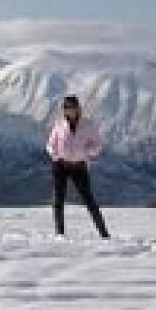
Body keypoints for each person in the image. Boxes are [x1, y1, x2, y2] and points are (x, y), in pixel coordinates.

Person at [45, 95, 110, 238]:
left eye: (71, 107)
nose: (69, 110)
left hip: (79, 166)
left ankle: (104, 234)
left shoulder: (87, 125)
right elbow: (50, 144)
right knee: (58, 200)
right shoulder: (59, 125)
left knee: (89, 200)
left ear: (78, 108)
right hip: (61, 165)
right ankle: (60, 234)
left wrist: (86, 153)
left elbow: (97, 144)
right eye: (66, 107)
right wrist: (55, 155)